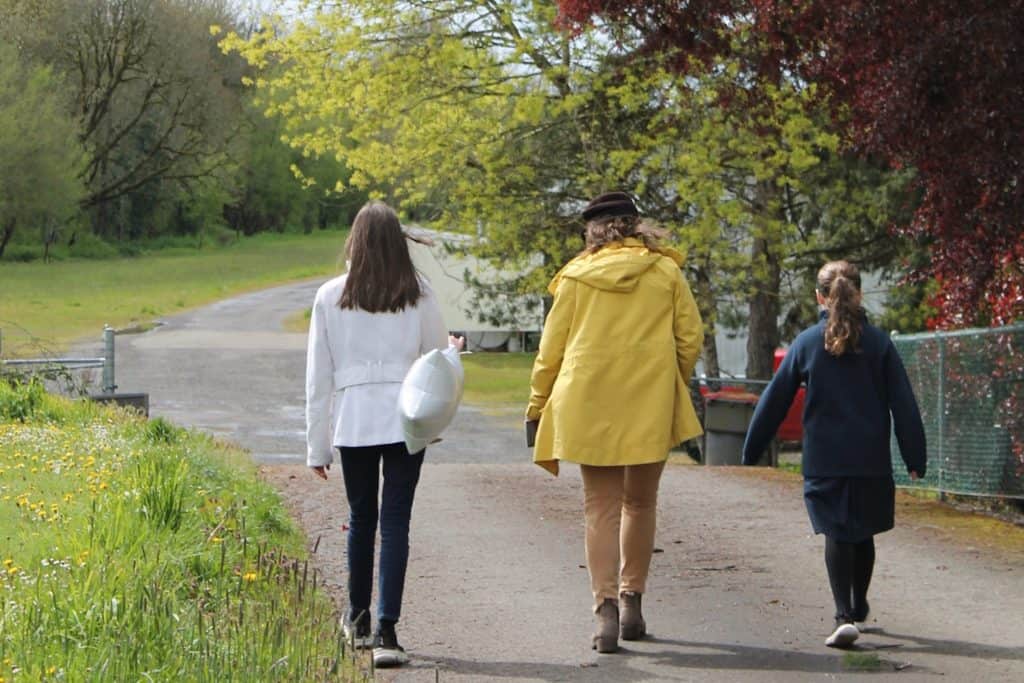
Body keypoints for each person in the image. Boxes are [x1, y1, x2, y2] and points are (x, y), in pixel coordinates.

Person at [525, 191, 704, 653]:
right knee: (640, 504)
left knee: (599, 507)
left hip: (589, 400)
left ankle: (604, 612)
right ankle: (631, 601)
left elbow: (552, 350)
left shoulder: (575, 277)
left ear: (594, 231)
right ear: (635, 226)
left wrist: (536, 403)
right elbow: (690, 338)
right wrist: (669, 382)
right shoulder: (666, 271)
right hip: (647, 399)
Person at [305, 201, 463, 668]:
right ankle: (387, 631)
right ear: (399, 242)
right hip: (405, 417)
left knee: (361, 518)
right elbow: (435, 362)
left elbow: (318, 379)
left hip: (354, 419)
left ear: (355, 241)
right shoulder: (420, 293)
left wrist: (317, 445)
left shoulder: (330, 296)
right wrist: (453, 355)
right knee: (395, 521)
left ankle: (356, 618)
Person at [742, 260, 927, 648]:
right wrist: (915, 456)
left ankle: (844, 614)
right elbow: (904, 404)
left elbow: (775, 398)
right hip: (870, 459)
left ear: (819, 297)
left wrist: (752, 448)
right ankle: (858, 603)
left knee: (837, 532)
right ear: (858, 293)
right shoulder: (878, 343)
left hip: (825, 459)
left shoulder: (808, 342)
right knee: (861, 532)